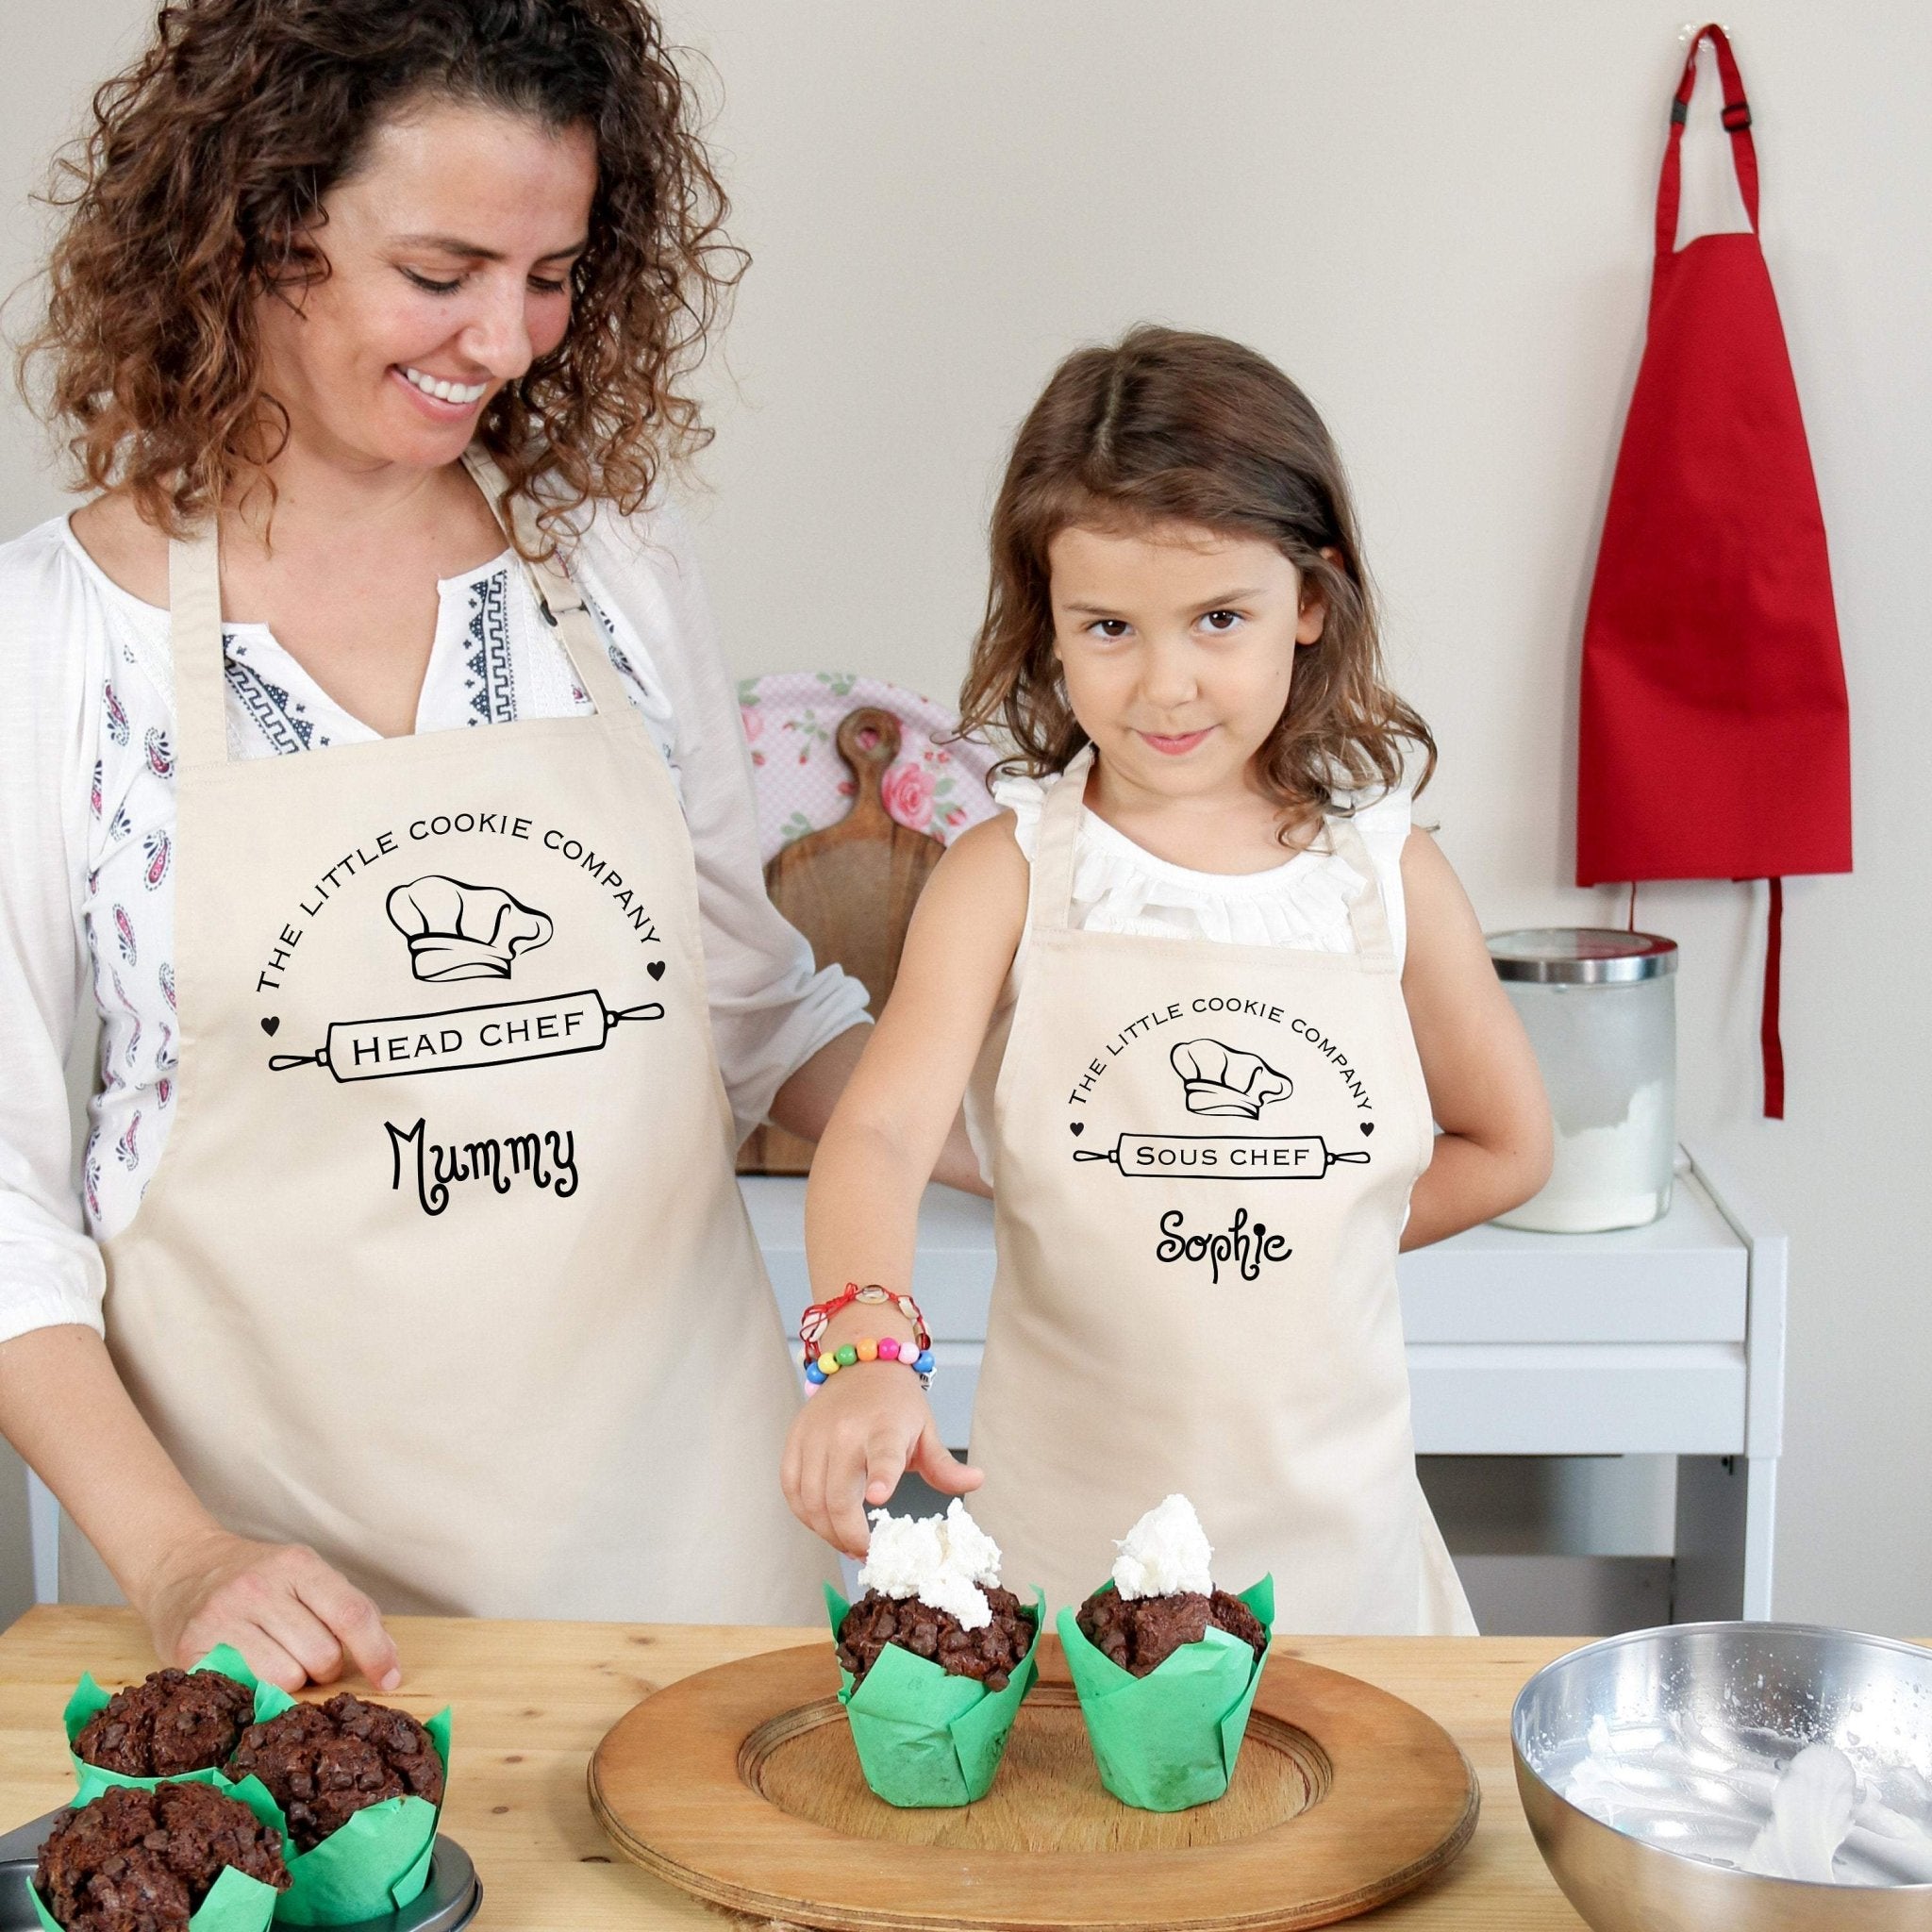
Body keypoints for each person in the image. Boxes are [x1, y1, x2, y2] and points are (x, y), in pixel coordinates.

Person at [0, 0, 974, 1691]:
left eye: (551, 275)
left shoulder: (612, 568)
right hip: (272, 1618)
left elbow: (748, 1012)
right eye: (441, 272)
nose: (507, 340)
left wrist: (1080, 1133)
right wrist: (178, 1559)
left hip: (680, 1573)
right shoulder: (51, 643)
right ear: (257, 225)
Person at [783, 326, 1553, 1630]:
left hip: (1338, 1572)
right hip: (1064, 1561)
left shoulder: (1388, 876)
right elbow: (880, 1135)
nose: (1166, 683)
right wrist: (865, 1349)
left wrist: (1300, 1238)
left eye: (1219, 619)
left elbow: (1511, 1145)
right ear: (1048, 624)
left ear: (1312, 600)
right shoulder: (1008, 873)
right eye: (1109, 628)